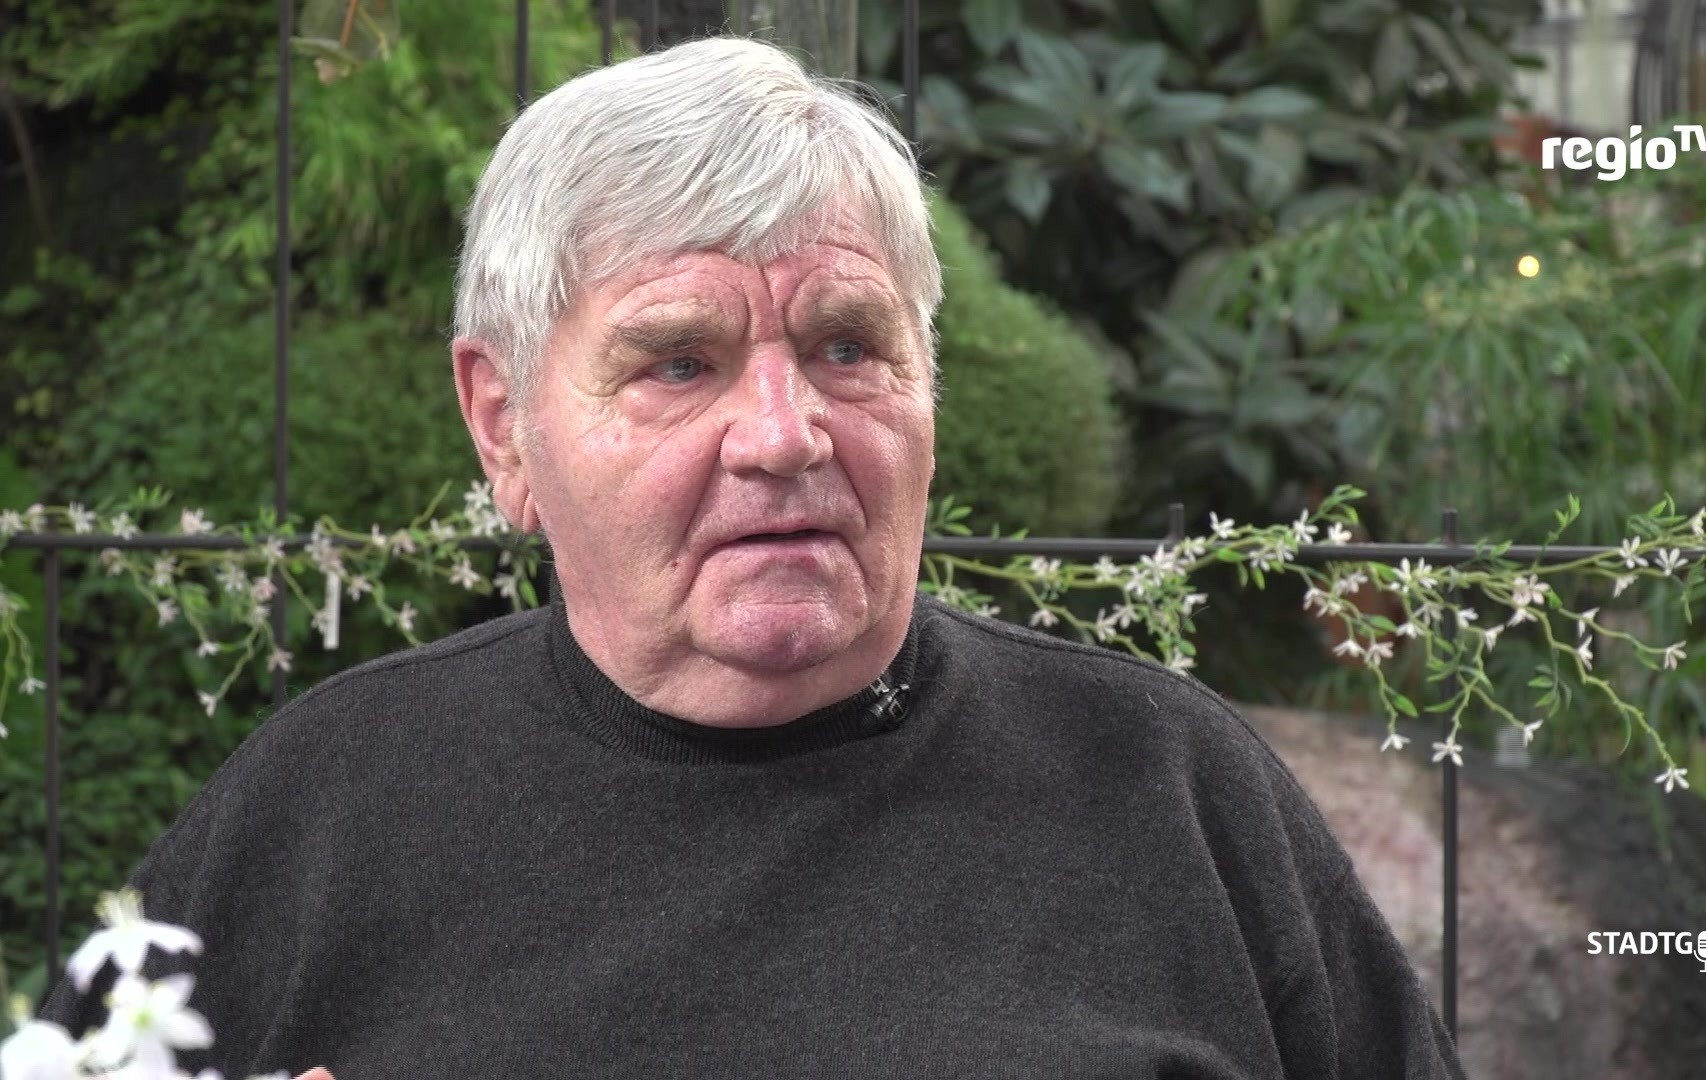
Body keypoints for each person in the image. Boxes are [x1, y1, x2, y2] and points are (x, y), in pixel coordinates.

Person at [40, 36, 1467, 1080]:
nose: (783, 434)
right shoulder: (317, 816)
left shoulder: (1166, 790)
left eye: (848, 344)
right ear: (504, 425)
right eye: (678, 362)